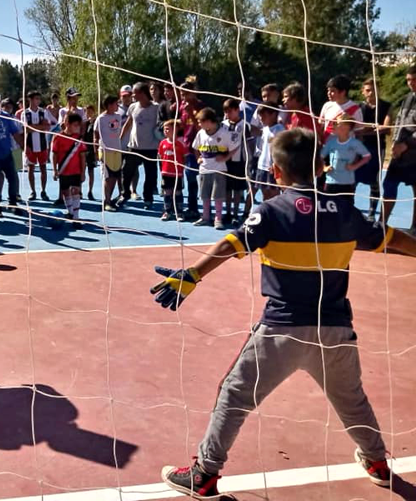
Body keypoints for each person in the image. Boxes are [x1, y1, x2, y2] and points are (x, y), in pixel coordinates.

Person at [154, 127, 416, 498]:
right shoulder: (345, 212)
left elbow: (232, 244)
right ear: (322, 168)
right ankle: (376, 462)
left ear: (276, 172)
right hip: (336, 330)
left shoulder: (271, 212)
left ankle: (204, 474)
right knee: (352, 400)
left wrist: (193, 274)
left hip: (282, 330)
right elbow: (392, 237)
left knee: (235, 396)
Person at [381, 65, 416, 233]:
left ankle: (414, 227)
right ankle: (382, 223)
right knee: (388, 185)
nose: (411, 83)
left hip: (413, 154)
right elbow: (400, 122)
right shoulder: (407, 98)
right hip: (399, 154)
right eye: (409, 80)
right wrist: (395, 143)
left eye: (414, 79)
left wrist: (406, 144)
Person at [192, 107, 240, 230]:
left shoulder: (224, 133)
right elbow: (195, 148)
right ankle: (205, 217)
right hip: (204, 169)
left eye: (200, 122)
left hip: (219, 169)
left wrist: (225, 157)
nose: (198, 124)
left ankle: (218, 218)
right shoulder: (201, 133)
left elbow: (235, 147)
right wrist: (198, 158)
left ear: (209, 121)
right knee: (204, 194)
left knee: (218, 195)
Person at [119, 81, 162, 209]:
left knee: (151, 175)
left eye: (135, 93)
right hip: (134, 147)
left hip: (151, 148)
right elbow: (128, 123)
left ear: (142, 93)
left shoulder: (156, 108)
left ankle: (148, 198)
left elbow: (161, 126)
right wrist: (120, 138)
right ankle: (125, 194)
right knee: (126, 172)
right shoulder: (133, 107)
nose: (133, 95)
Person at [357, 78, 392, 220]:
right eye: (367, 90)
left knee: (375, 179)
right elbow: (357, 128)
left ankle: (372, 213)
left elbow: (387, 128)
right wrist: (372, 128)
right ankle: (350, 209)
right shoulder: (359, 107)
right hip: (360, 146)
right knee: (354, 177)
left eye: (373, 89)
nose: (371, 92)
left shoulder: (386, 106)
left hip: (377, 147)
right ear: (362, 92)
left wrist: (366, 130)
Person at [321, 114, 371, 205]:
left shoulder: (354, 143)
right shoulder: (331, 143)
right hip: (331, 181)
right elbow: (320, 157)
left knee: (346, 207)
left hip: (347, 182)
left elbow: (367, 156)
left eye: (338, 124)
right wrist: (324, 167)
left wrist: (354, 166)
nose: (334, 126)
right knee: (328, 207)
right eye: (335, 124)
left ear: (347, 128)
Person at [52, 113, 87, 228]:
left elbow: (82, 157)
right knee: (66, 192)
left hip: (76, 171)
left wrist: (83, 172)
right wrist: (54, 170)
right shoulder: (58, 137)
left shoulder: (79, 139)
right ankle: (70, 212)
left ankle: (76, 218)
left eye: (78, 125)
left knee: (76, 192)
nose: (77, 128)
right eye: (75, 125)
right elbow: (54, 154)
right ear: (68, 124)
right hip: (63, 170)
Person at [222, 98, 253, 226]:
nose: (228, 114)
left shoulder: (245, 125)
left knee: (238, 189)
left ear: (237, 110)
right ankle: (228, 212)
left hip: (240, 161)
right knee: (227, 189)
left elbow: (249, 143)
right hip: (226, 161)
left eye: (230, 111)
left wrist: (249, 160)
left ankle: (236, 213)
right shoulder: (223, 124)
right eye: (226, 111)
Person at [21, 90, 56, 201]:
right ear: (30, 100)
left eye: (39, 99)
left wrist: (34, 127)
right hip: (30, 145)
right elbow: (26, 129)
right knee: (31, 168)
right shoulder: (25, 113)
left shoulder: (43, 112)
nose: (38, 101)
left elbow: (47, 127)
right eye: (36, 99)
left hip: (42, 144)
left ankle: (43, 191)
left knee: (43, 168)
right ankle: (33, 191)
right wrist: (39, 126)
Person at [179, 78, 205, 220]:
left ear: (192, 93)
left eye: (185, 94)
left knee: (196, 178)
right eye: (181, 94)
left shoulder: (200, 106)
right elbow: (184, 127)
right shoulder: (182, 106)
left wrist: (191, 115)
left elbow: (201, 127)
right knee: (188, 177)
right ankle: (191, 207)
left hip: (199, 147)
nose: (183, 97)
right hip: (186, 145)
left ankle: (197, 208)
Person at [95, 95, 123, 211]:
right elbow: (95, 136)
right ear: (109, 105)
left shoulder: (118, 116)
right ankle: (106, 202)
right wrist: (96, 151)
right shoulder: (101, 119)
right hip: (106, 152)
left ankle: (111, 200)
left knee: (116, 177)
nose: (118, 105)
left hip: (117, 151)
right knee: (108, 178)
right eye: (116, 103)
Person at [255, 102, 286, 201]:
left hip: (273, 168)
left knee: (274, 194)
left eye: (263, 115)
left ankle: (275, 215)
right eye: (260, 116)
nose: (261, 118)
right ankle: (267, 215)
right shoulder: (264, 129)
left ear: (273, 114)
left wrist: (276, 164)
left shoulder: (280, 129)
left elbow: (282, 150)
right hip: (262, 166)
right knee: (265, 194)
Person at [158, 119, 187, 221]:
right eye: (164, 129)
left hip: (177, 173)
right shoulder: (162, 143)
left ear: (176, 129)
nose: (165, 131)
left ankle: (179, 212)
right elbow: (160, 157)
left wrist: (181, 167)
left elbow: (184, 157)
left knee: (177, 192)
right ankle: (167, 211)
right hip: (166, 172)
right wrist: (162, 169)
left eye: (168, 129)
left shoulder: (180, 143)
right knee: (167, 192)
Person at [319, 74, 363, 140]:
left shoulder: (355, 109)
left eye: (332, 91)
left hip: (345, 147)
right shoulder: (327, 106)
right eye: (328, 90)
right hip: (328, 146)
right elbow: (320, 126)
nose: (329, 93)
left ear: (343, 92)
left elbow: (359, 132)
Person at [83, 104, 97, 200]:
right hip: (84, 150)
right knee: (81, 171)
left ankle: (90, 191)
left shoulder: (96, 122)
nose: (89, 113)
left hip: (92, 150)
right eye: (87, 111)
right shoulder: (84, 123)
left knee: (91, 171)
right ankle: (79, 190)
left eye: (90, 111)